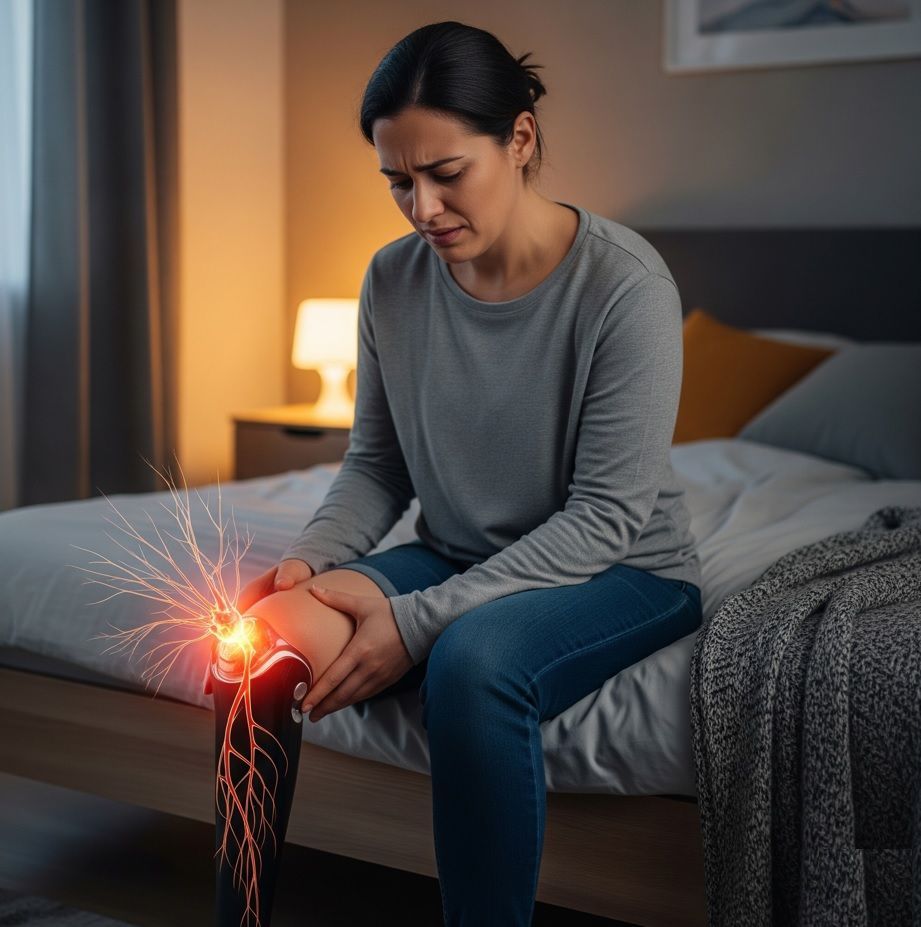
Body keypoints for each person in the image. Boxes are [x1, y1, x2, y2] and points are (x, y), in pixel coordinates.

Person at [238, 20, 703, 926]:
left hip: (624, 570)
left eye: (446, 173)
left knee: (472, 661)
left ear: (519, 139)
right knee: (272, 633)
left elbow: (606, 516)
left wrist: (415, 621)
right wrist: (308, 560)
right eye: (397, 180)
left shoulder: (626, 287)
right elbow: (376, 464)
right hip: (455, 550)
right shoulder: (391, 280)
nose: (421, 207)